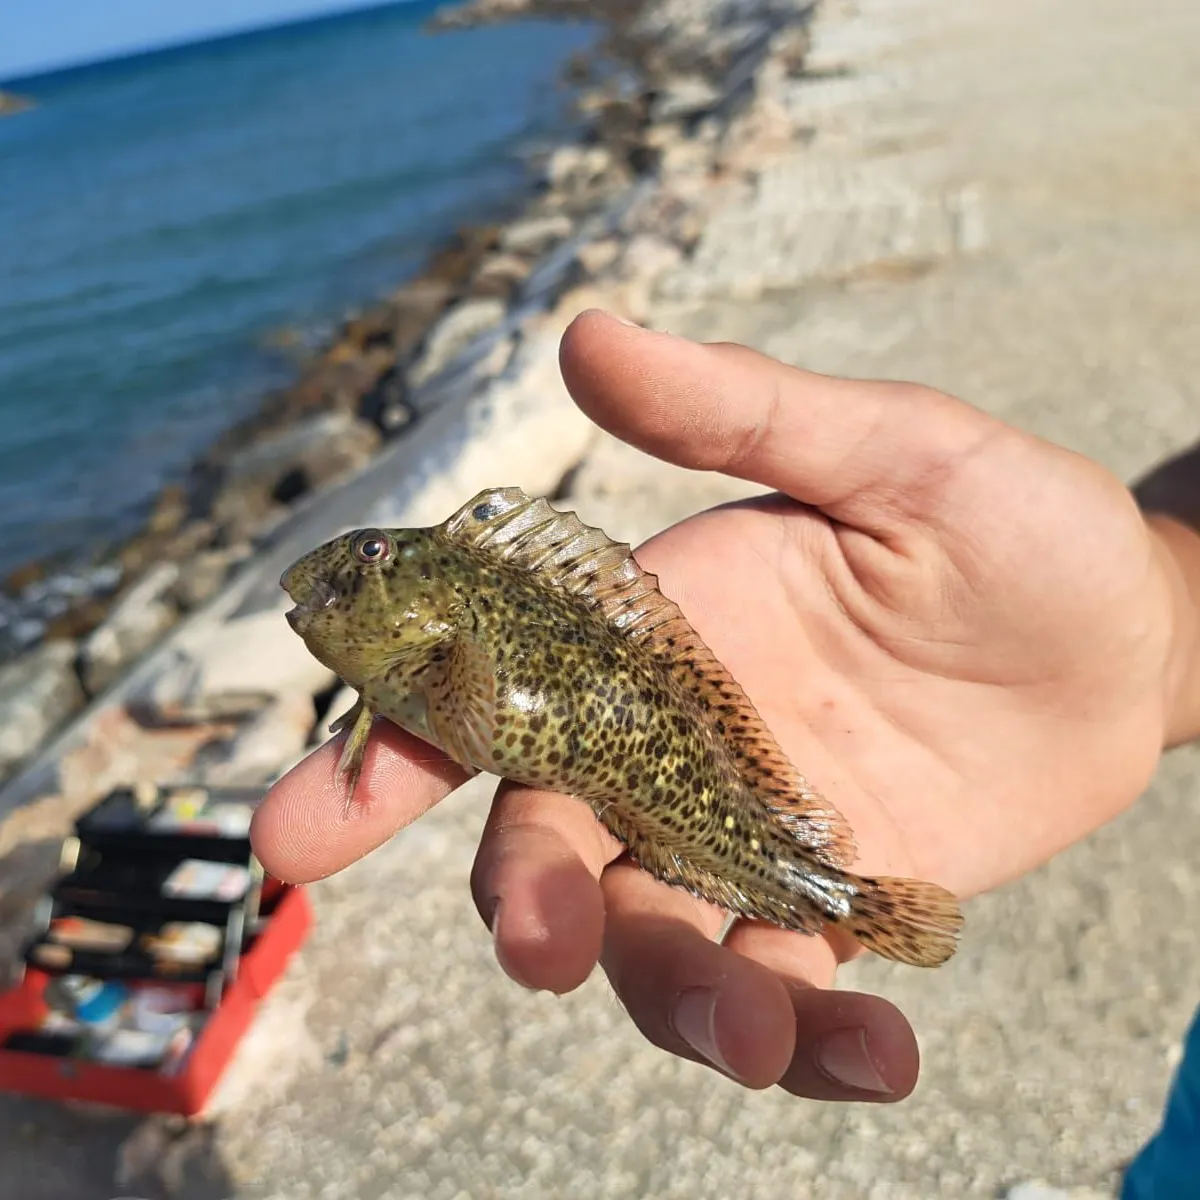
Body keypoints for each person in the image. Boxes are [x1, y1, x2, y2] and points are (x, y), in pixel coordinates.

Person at [249, 310, 1200, 1196]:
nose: (337, 583)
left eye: (368, 562)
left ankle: (835, 896)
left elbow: (473, 708)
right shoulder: (412, 661)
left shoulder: (443, 646)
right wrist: (1163, 618)